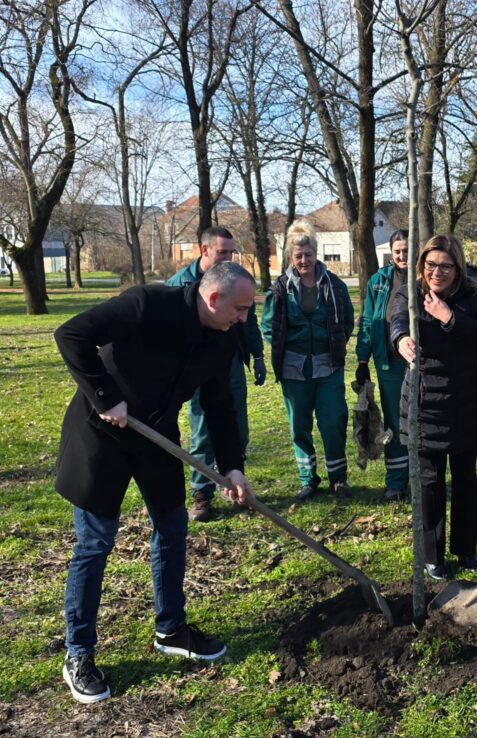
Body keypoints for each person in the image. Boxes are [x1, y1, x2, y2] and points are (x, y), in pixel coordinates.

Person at [54, 262, 256, 703]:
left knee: (172, 526)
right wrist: (106, 397)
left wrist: (232, 467)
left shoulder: (224, 335)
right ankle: (79, 654)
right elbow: (71, 335)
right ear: (213, 298)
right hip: (102, 432)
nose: (244, 318)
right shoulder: (148, 304)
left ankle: (171, 629)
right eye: (240, 309)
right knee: (95, 542)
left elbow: (219, 404)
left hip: (156, 436)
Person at [391, 235, 477, 580]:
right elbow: (397, 320)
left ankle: (465, 549)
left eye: (445, 266)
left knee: (465, 479)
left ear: (458, 267)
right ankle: (432, 555)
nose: (437, 272)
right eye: (431, 264)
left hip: (465, 399)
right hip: (425, 399)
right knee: (429, 481)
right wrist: (400, 340)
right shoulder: (411, 292)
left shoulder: (475, 294)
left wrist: (449, 317)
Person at [167, 226, 265, 522]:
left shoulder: (237, 281)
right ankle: (202, 493)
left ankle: (233, 479)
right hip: (196, 366)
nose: (228, 257)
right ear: (205, 250)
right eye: (222, 252)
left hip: (230, 363)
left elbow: (248, 322)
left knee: (236, 426)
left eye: (231, 252)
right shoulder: (179, 284)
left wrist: (257, 355)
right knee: (202, 431)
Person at [262, 220, 354, 502]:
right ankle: (307, 480)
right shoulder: (280, 288)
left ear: (316, 254)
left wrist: (335, 343)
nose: (304, 260)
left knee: (333, 421)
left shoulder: (335, 285)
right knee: (299, 426)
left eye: (309, 254)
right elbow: (268, 326)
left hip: (328, 366)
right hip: (294, 368)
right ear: (291, 257)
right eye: (298, 256)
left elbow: (347, 320)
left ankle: (338, 478)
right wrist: (284, 346)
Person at [355, 229, 410, 501]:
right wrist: (362, 359)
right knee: (395, 422)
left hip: (421, 363)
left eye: (407, 250)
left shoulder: (425, 276)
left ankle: (422, 476)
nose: (402, 255)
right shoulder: (379, 281)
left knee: (422, 419)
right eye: (397, 251)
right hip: (389, 363)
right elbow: (368, 320)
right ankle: (397, 482)